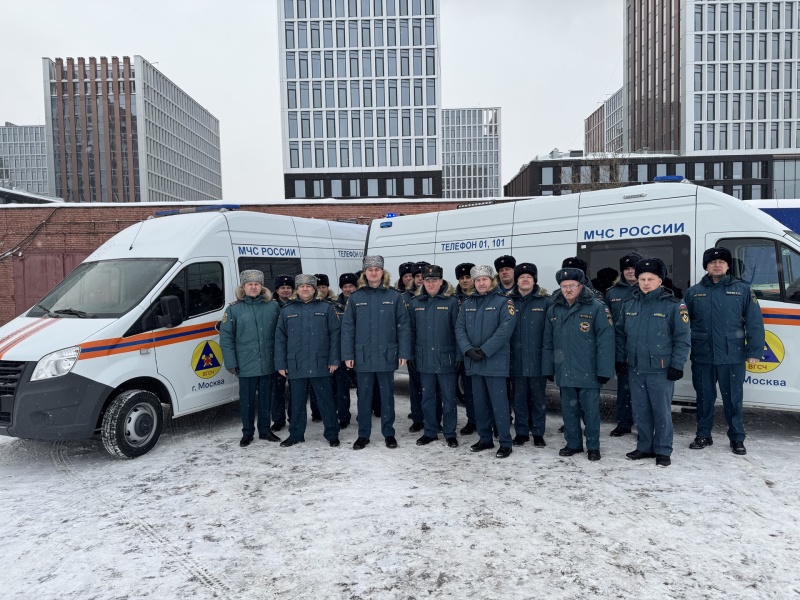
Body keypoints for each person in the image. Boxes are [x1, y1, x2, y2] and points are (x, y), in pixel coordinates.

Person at [684, 247, 765, 456]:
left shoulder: (743, 290)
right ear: (706, 266)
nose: (717, 265)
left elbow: (755, 323)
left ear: (728, 266)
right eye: (712, 262)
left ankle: (737, 438)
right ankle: (703, 435)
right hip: (703, 356)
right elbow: (684, 325)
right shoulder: (693, 292)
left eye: (721, 262)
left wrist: (754, 351)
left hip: (733, 355)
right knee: (704, 398)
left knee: (733, 400)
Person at [615, 258, 691, 467]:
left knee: (661, 411)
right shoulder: (629, 304)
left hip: (661, 369)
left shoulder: (674, 305)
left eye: (650, 279)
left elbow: (682, 338)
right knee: (640, 410)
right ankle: (645, 446)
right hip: (635, 368)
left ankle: (663, 450)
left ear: (660, 281)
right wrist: (621, 359)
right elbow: (621, 334)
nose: (646, 283)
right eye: (642, 279)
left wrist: (677, 364)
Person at [543, 267, 614, 461]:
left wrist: (604, 369)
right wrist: (548, 368)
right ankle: (573, 444)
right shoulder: (554, 309)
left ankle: (593, 446)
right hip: (564, 370)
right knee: (569, 411)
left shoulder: (597, 307)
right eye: (563, 286)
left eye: (571, 286)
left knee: (590, 412)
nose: (567, 290)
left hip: (588, 370)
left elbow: (606, 341)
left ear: (580, 286)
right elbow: (548, 342)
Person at [341, 255, 411, 449]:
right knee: (363, 397)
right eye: (370, 269)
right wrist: (347, 355)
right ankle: (363, 434)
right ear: (365, 273)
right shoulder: (356, 297)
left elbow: (403, 326)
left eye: (377, 269)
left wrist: (403, 352)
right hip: (362, 356)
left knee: (387, 396)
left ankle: (389, 433)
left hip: (386, 354)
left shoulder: (394, 296)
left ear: (382, 272)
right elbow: (347, 327)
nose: (373, 272)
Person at [455, 265, 516, 459]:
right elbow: (459, 328)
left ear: (492, 280)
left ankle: (505, 442)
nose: (481, 283)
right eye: (478, 280)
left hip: (495, 361)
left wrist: (486, 349)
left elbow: (506, 329)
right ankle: (485, 438)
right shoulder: (467, 303)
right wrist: (467, 349)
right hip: (474, 361)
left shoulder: (503, 302)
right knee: (479, 403)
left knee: (499, 404)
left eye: (485, 279)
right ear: (474, 283)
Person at [275, 274, 342, 448]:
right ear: (296, 290)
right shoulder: (287, 310)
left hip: (321, 362)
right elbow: (280, 339)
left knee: (326, 400)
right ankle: (296, 434)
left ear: (314, 289)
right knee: (297, 402)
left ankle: (332, 434)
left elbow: (336, 335)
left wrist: (334, 359)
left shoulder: (326, 308)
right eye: (302, 286)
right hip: (296, 363)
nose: (305, 289)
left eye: (309, 286)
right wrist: (281, 364)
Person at [219, 270, 281, 447]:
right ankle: (247, 433)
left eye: (257, 284)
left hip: (268, 362)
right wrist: (231, 362)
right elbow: (226, 339)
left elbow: (280, 334)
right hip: (245, 365)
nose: (253, 287)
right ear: (243, 287)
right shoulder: (233, 309)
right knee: (246, 401)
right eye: (250, 284)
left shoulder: (272, 306)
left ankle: (265, 430)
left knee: (265, 399)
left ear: (261, 287)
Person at [410, 265, 461, 448]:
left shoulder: (451, 302)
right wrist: (411, 354)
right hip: (424, 358)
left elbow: (458, 331)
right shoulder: (416, 302)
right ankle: (430, 431)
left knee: (449, 399)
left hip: (446, 359)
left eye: (435, 280)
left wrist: (459, 357)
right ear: (423, 281)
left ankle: (450, 433)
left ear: (441, 281)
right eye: (428, 280)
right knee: (428, 398)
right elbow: (411, 331)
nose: (431, 284)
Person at [508, 262, 550, 448]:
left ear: (534, 280)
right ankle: (522, 432)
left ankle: (538, 433)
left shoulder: (545, 301)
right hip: (515, 359)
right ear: (516, 281)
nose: (525, 280)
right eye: (521, 277)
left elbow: (551, 332)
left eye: (529, 277)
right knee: (518, 399)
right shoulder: (508, 301)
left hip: (537, 360)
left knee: (538, 399)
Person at [604, 251, 643, 437]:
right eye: (626, 269)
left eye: (633, 268)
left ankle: (644, 424)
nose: (630, 272)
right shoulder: (612, 293)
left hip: (644, 349)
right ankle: (624, 423)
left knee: (644, 390)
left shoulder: (647, 288)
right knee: (624, 389)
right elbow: (607, 324)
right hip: (622, 348)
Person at [333, 273, 358, 428]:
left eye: (351, 286)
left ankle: (364, 414)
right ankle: (343, 416)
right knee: (341, 388)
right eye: (345, 286)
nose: (348, 289)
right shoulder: (334, 306)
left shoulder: (361, 303)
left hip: (359, 353)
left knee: (363, 388)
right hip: (341, 352)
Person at [454, 262, 477, 435]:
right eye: (461, 278)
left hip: (478, 351)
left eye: (468, 277)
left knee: (484, 391)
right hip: (459, 352)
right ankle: (472, 420)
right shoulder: (453, 299)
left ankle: (491, 421)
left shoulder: (482, 296)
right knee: (468, 391)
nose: (465, 281)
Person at [270, 274, 295, 432]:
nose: (285, 290)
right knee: (277, 388)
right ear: (277, 290)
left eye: (288, 287)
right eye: (282, 288)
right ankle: (278, 419)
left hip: (294, 351)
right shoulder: (270, 306)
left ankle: (294, 416)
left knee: (295, 388)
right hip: (277, 350)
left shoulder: (297, 304)